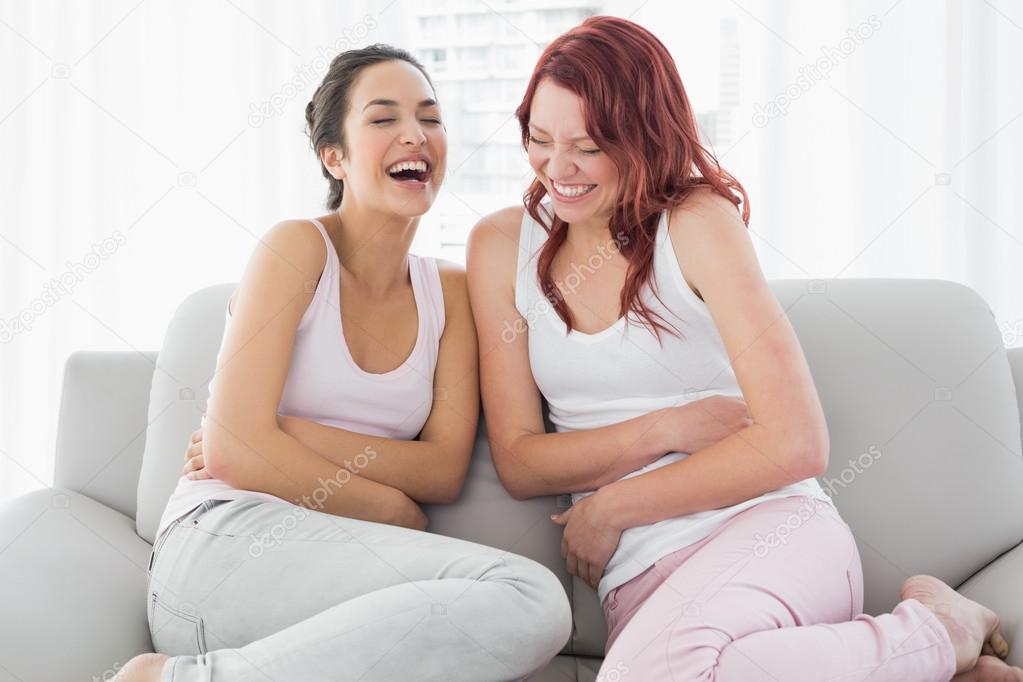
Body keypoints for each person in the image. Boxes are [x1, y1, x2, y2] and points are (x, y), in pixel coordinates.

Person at [466, 16, 1016, 682]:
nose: (558, 169)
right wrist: (666, 428)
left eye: (587, 146)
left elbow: (796, 444)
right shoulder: (501, 246)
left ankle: (937, 631)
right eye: (539, 139)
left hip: (771, 531)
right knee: (726, 670)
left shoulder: (696, 225)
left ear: (644, 135)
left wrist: (612, 504)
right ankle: (932, 642)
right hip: (641, 580)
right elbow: (522, 461)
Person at [117, 44, 571, 682]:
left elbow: (441, 470)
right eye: (383, 118)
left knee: (530, 607)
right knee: (530, 597)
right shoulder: (298, 250)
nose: (415, 134)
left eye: (430, 118)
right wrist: (390, 509)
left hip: (340, 577)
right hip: (224, 541)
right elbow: (234, 458)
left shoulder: (451, 293)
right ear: (335, 155)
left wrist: (283, 434)